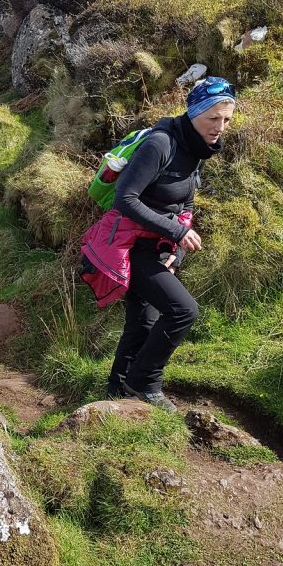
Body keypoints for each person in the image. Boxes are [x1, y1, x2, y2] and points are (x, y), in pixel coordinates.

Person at [101, 77, 236, 411]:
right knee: (183, 311)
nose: (220, 126)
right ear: (195, 113)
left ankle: (117, 394)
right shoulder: (161, 144)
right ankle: (144, 382)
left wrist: (172, 250)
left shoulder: (194, 148)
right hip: (128, 245)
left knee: (142, 323)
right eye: (213, 118)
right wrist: (176, 235)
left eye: (227, 119)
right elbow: (125, 199)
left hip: (154, 246)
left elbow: (185, 206)